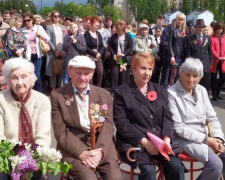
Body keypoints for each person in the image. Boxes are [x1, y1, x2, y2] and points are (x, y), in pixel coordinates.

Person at [114, 52, 185, 180]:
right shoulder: (122, 92)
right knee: (148, 171)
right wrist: (145, 142)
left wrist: (167, 139)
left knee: (176, 167)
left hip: (161, 141)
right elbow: (121, 123)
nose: (147, 73)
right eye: (143, 68)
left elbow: (168, 117)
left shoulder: (160, 90)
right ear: (133, 69)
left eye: (150, 69)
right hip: (136, 141)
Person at [50, 55, 123, 180]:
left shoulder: (104, 95)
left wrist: (99, 152)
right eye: (78, 73)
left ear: (92, 73)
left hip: (101, 145)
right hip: (73, 147)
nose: (82, 78)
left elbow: (108, 126)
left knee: (115, 178)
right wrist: (82, 153)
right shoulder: (58, 95)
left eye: (86, 73)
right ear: (69, 71)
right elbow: (60, 131)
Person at [168, 58, 225, 180]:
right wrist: (207, 140)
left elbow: (212, 118)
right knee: (215, 164)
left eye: (195, 76)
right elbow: (178, 127)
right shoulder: (171, 93)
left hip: (206, 136)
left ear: (200, 77)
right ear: (181, 73)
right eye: (187, 75)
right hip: (185, 139)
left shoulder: (202, 90)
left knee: (223, 155)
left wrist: (218, 138)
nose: (191, 79)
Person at [0, 58, 51, 180]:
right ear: (8, 80)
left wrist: (30, 163)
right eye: (14, 78)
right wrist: (15, 163)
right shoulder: (1, 100)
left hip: (35, 158)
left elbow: (43, 136)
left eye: (24, 76)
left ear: (31, 78)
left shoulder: (42, 100)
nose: (20, 82)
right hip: (6, 158)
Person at [21, 12, 50, 93]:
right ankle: (30, 92)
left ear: (32, 20)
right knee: (29, 74)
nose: (27, 22)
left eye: (29, 20)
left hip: (38, 55)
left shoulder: (39, 28)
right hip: (28, 55)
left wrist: (40, 35)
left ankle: (40, 92)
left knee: (37, 74)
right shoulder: (22, 30)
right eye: (25, 21)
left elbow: (48, 39)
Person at [185, 19, 213, 92]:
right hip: (195, 66)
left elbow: (210, 52)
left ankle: (205, 101)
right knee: (194, 85)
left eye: (202, 27)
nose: (201, 29)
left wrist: (210, 63)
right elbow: (188, 54)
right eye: (199, 27)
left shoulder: (208, 38)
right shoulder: (190, 38)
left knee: (205, 85)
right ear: (195, 27)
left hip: (205, 66)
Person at [108, 19, 133, 89]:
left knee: (124, 76)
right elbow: (110, 46)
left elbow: (130, 47)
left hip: (124, 59)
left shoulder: (128, 36)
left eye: (120, 30)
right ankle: (114, 90)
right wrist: (113, 54)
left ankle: (123, 89)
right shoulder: (114, 36)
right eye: (117, 30)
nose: (118, 32)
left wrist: (124, 54)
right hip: (116, 59)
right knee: (115, 75)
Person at [46, 11, 67, 90]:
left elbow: (66, 39)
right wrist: (55, 50)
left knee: (61, 70)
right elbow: (48, 40)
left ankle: (61, 89)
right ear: (52, 17)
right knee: (53, 71)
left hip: (62, 51)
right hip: (53, 52)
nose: (57, 17)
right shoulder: (49, 27)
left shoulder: (63, 27)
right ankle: (53, 90)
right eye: (55, 16)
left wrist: (64, 50)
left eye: (58, 16)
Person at [84, 16, 104, 87]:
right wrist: (94, 54)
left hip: (98, 56)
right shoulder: (86, 34)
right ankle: (90, 87)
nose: (97, 27)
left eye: (98, 26)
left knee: (100, 72)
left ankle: (98, 87)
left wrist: (100, 53)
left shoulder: (98, 34)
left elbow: (102, 45)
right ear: (91, 24)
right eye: (95, 25)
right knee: (90, 73)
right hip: (90, 56)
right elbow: (86, 47)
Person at [168, 13, 186, 86]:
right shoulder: (172, 30)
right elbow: (170, 44)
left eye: (182, 20)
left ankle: (177, 89)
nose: (180, 21)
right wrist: (172, 56)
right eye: (179, 19)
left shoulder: (183, 31)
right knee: (173, 74)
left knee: (179, 75)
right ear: (176, 20)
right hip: (175, 56)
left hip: (181, 56)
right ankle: (171, 89)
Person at [210, 22, 225, 101]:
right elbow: (212, 49)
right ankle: (214, 95)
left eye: (221, 29)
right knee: (214, 78)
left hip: (223, 61)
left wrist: (223, 57)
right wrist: (218, 57)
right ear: (215, 29)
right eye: (218, 29)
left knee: (222, 78)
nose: (220, 30)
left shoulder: (224, 37)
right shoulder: (211, 37)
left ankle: (218, 93)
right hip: (215, 60)